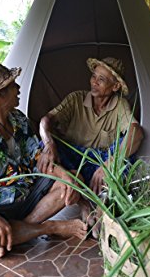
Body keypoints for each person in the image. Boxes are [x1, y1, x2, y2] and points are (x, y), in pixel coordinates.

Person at [0, 60, 87, 259]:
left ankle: (15, 233)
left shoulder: (18, 119)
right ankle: (49, 228)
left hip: (28, 194)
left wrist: (65, 177)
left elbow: (39, 160)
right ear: (0, 93)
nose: (18, 88)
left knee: (73, 179)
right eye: (13, 85)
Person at [39, 57, 144, 196]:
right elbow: (45, 121)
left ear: (115, 86)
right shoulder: (76, 98)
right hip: (72, 158)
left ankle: (100, 191)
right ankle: (73, 181)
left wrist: (109, 164)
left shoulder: (120, 105)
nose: (94, 82)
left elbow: (136, 132)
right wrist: (49, 143)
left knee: (126, 147)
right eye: (93, 76)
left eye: (101, 79)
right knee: (43, 144)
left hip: (101, 161)